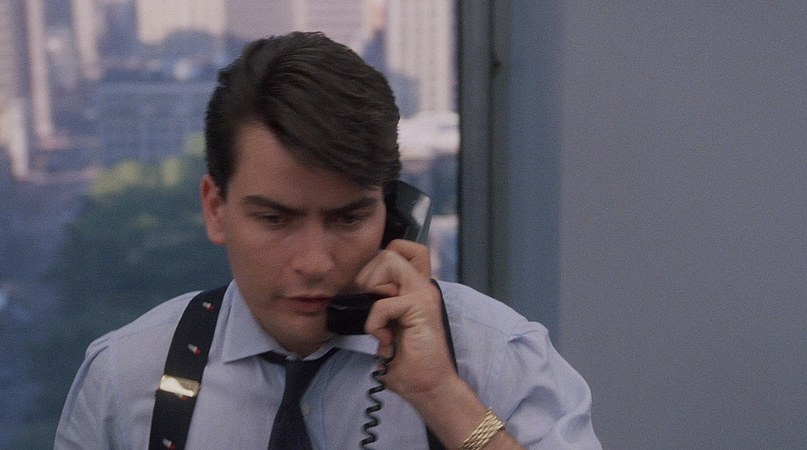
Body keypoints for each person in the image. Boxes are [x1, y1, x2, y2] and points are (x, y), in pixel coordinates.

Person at [55, 31, 601, 449]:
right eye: (276, 220)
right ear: (215, 209)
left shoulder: (495, 357)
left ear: (395, 216)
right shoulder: (127, 378)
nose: (315, 263)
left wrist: (442, 397)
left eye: (348, 219)